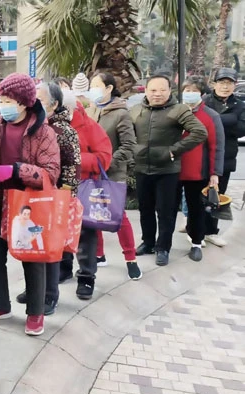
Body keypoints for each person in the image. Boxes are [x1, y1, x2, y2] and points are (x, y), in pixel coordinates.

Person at [0, 73, 60, 336]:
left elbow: (50, 173)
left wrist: (16, 171)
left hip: (28, 205)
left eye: (8, 100)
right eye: (1, 100)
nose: (3, 106)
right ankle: (0, 305)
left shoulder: (43, 132)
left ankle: (35, 312)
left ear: (24, 102)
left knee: (32, 258)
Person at [15, 81, 80, 315]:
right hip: (32, 194)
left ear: (54, 104)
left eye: (40, 99)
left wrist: (64, 196)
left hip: (54, 197)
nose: (34, 103)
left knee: (51, 248)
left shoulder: (64, 131)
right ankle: (34, 289)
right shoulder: (31, 125)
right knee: (31, 244)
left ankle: (50, 295)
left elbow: (73, 166)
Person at [130, 74, 207, 266]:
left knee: (165, 211)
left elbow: (200, 132)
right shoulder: (136, 110)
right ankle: (148, 242)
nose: (157, 94)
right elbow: (126, 134)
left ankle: (163, 248)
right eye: (153, 90)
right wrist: (133, 151)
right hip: (142, 168)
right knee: (145, 209)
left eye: (162, 90)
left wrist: (174, 150)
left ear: (170, 91)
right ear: (146, 90)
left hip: (167, 170)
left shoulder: (178, 110)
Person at [86, 72, 142, 280]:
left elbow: (129, 145)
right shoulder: (91, 110)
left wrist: (107, 162)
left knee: (118, 216)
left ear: (109, 88)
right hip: (91, 172)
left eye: (97, 85)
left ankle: (130, 258)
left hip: (112, 173)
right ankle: (98, 255)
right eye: (91, 85)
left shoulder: (121, 114)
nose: (93, 89)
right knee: (93, 214)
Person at [64, 98, 113, 300]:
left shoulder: (89, 126)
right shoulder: (48, 124)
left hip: (85, 187)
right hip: (58, 188)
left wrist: (74, 160)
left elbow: (104, 158)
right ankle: (63, 268)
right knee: (59, 230)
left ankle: (86, 276)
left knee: (86, 233)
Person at [179, 77, 223, 261]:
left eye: (194, 90)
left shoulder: (210, 116)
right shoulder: (175, 112)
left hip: (197, 172)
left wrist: (214, 173)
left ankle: (196, 243)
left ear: (202, 94)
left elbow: (216, 147)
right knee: (166, 210)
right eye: (187, 90)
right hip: (172, 170)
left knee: (196, 209)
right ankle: (161, 245)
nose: (189, 94)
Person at [202, 67, 245, 247]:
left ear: (234, 85)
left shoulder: (240, 105)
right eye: (222, 82)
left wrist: (215, 121)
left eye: (229, 83)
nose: (225, 87)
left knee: (217, 196)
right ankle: (196, 232)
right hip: (202, 156)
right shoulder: (204, 101)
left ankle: (211, 231)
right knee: (198, 195)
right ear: (215, 84)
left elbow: (241, 129)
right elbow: (199, 124)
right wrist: (229, 120)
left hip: (225, 158)